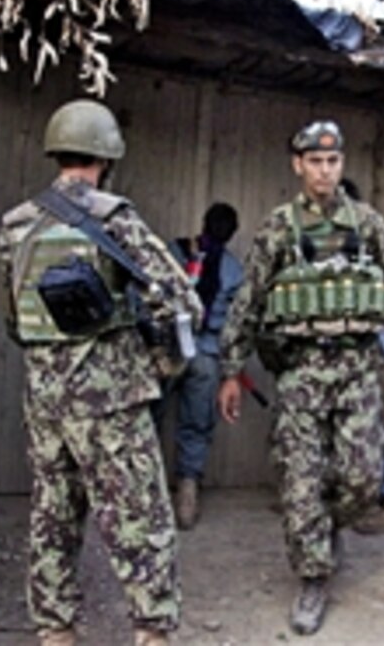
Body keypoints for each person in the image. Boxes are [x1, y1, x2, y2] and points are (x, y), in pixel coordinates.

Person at [0, 99, 203, 646]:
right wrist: (160, 364)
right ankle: (152, 633)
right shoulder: (114, 218)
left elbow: (15, 320)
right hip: (110, 399)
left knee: (53, 515)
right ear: (106, 156)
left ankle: (55, 632)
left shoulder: (15, 226)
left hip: (44, 399)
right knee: (140, 516)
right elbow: (182, 302)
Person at [215, 120, 384, 636]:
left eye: (333, 161)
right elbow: (249, 302)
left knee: (361, 479)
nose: (325, 170)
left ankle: (326, 530)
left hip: (357, 371)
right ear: (298, 164)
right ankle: (313, 576)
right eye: (315, 161)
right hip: (301, 371)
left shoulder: (368, 225)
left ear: (341, 164)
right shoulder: (279, 228)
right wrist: (230, 370)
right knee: (300, 480)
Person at [153, 202, 244, 530]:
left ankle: (147, 496)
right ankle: (187, 495)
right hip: (205, 355)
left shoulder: (173, 253)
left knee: (149, 423)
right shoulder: (233, 269)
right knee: (196, 427)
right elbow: (236, 324)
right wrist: (232, 370)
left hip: (165, 353)